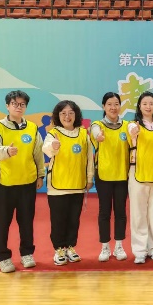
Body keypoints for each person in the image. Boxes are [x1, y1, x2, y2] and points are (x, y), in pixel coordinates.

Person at [0, 90, 45, 273]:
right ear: (7, 106)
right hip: (3, 183)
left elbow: (38, 153)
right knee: (2, 222)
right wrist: (6, 151)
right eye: (14, 104)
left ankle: (27, 253)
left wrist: (40, 175)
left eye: (22, 104)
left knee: (26, 221)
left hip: (27, 181)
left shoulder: (32, 128)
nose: (18, 107)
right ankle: (3, 257)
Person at [43, 100, 94, 266]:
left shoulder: (83, 134)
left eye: (71, 113)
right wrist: (54, 146)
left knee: (74, 220)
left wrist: (89, 178)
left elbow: (89, 158)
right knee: (58, 220)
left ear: (76, 115)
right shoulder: (53, 133)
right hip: (57, 185)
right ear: (58, 116)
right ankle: (59, 249)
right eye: (63, 113)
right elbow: (46, 149)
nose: (67, 116)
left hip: (77, 184)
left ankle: (70, 247)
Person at [90, 92, 131, 262]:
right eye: (109, 104)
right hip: (104, 176)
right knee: (104, 212)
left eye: (116, 104)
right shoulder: (97, 125)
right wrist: (98, 136)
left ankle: (119, 245)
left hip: (122, 176)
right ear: (103, 106)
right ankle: (105, 247)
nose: (113, 108)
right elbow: (94, 132)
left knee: (121, 212)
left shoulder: (127, 125)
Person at [128, 91, 153, 265]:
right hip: (138, 175)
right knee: (138, 214)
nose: (148, 106)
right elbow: (131, 132)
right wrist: (134, 131)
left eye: (151, 103)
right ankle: (139, 250)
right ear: (139, 106)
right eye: (144, 103)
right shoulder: (133, 125)